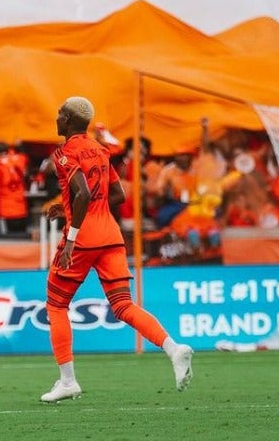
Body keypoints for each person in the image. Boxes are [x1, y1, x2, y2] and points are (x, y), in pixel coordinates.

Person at [40, 96, 193, 402]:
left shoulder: (65, 153)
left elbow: (82, 193)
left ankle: (68, 381)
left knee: (57, 305)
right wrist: (67, 207)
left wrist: (71, 236)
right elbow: (117, 195)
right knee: (123, 306)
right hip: (110, 234)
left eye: (60, 114)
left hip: (82, 239)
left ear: (69, 121)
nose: (56, 118)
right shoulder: (100, 149)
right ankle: (174, 349)